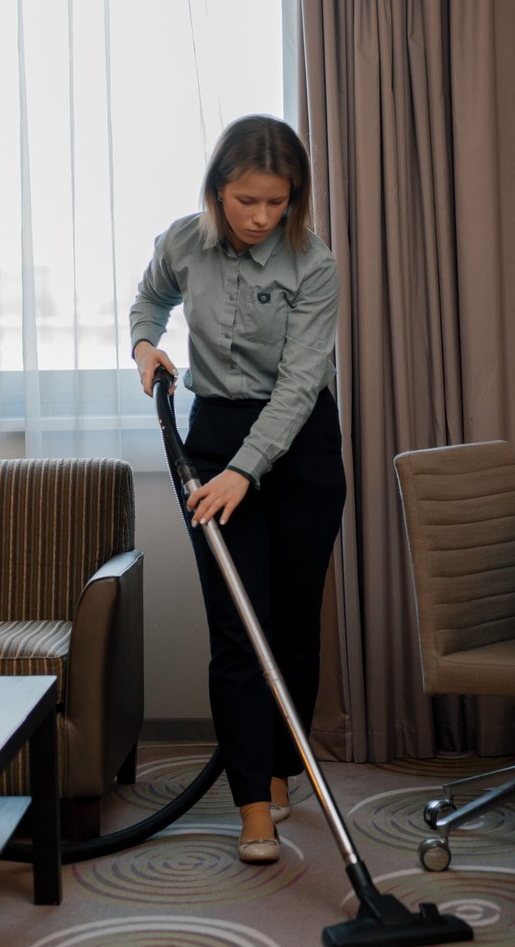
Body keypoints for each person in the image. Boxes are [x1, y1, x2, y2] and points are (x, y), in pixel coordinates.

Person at [129, 115, 346, 865]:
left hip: (300, 448)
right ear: (218, 190)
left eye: (276, 203)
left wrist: (244, 473)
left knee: (290, 628)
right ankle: (254, 806)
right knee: (235, 629)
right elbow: (148, 299)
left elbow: (297, 387)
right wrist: (145, 343)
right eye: (246, 201)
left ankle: (284, 767)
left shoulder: (313, 266)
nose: (260, 218)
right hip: (215, 434)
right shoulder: (184, 241)